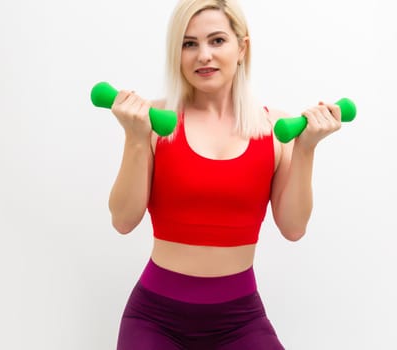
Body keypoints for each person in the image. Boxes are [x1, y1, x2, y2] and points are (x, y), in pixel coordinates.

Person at [109, 0, 341, 349]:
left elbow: (293, 228)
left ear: (242, 48)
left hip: (240, 320)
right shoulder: (155, 121)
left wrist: (307, 147)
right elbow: (123, 220)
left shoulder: (275, 128)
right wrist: (135, 138)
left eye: (217, 40)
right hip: (155, 320)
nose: (203, 55)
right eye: (189, 44)